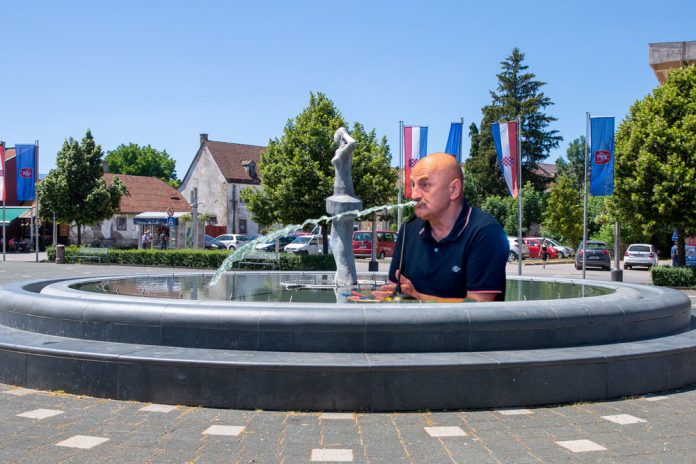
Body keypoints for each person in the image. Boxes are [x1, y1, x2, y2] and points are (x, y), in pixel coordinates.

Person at [380, 152, 509, 302]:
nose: (414, 195)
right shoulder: (409, 228)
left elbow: (478, 305)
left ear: (453, 189)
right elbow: (395, 293)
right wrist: (369, 300)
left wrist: (419, 297)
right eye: (413, 185)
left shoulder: (485, 232)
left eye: (425, 185)